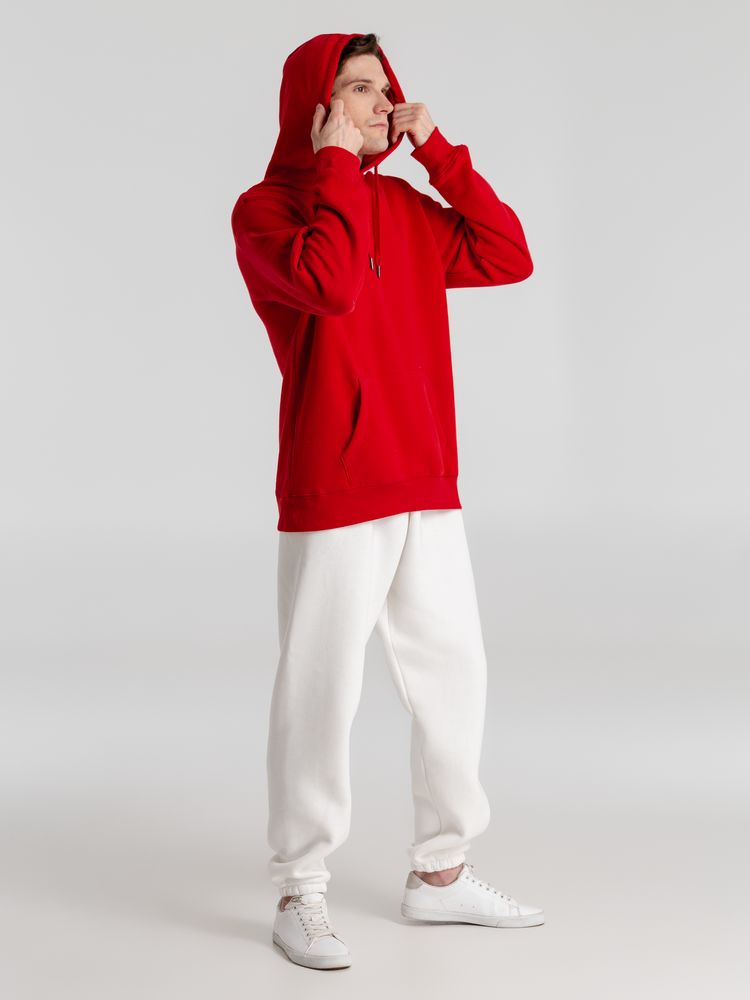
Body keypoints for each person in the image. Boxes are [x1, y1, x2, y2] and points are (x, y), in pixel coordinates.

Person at [231, 31, 543, 970]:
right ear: (315, 106)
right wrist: (333, 164)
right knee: (320, 686)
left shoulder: (406, 205)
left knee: (456, 671)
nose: (380, 104)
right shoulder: (265, 212)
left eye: (386, 89)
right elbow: (327, 285)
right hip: (335, 484)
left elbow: (509, 253)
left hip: (425, 479)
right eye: (359, 88)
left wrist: (439, 153)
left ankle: (440, 874)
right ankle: (301, 889)